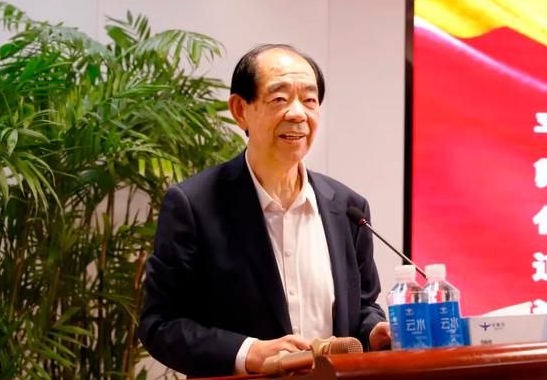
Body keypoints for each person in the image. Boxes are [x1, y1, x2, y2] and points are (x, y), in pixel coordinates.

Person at [138, 44, 390, 378]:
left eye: (309, 100)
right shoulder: (194, 205)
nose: (298, 114)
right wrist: (249, 352)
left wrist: (374, 333)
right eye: (280, 99)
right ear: (240, 110)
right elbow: (161, 325)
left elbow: (362, 307)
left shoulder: (347, 208)